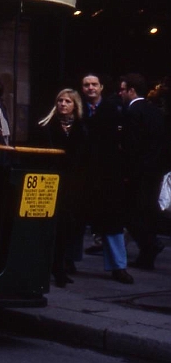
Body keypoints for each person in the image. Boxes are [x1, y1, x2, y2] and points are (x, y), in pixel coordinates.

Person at [80, 73, 134, 284]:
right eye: (86, 85)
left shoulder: (113, 109)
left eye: (94, 84)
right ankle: (68, 260)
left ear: (101, 87)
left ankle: (118, 266)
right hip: (83, 171)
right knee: (75, 219)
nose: (90, 88)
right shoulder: (78, 107)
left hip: (108, 173)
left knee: (112, 221)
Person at [36, 88, 87, 287]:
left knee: (65, 227)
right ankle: (43, 267)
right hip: (49, 181)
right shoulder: (46, 126)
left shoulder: (81, 128)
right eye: (60, 101)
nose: (63, 104)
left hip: (71, 183)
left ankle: (60, 267)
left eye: (67, 101)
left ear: (75, 105)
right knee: (46, 227)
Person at [120, 73, 168, 270]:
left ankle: (150, 244)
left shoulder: (133, 112)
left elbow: (131, 146)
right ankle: (147, 255)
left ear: (132, 91)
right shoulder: (155, 112)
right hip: (154, 171)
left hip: (138, 172)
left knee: (130, 213)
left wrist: (127, 172)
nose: (120, 93)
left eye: (123, 89)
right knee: (146, 212)